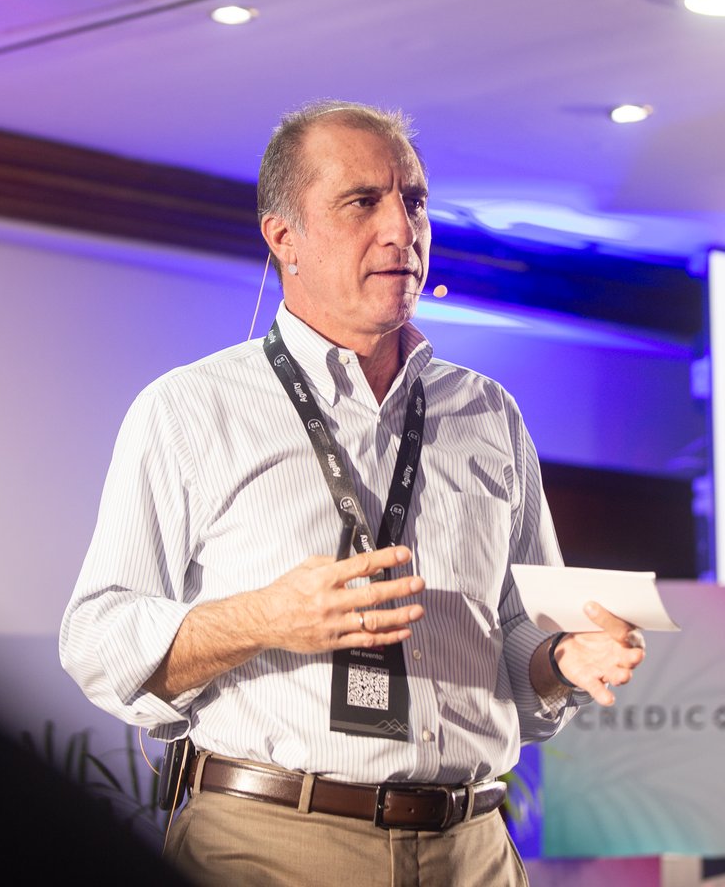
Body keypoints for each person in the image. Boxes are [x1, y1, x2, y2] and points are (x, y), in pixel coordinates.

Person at [60, 100, 646, 886]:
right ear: (284, 238)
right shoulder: (191, 409)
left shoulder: (488, 415)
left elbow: (514, 636)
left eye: (414, 200)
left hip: (470, 847)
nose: (402, 229)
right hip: (272, 845)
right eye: (363, 202)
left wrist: (563, 658)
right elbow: (99, 639)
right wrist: (266, 617)